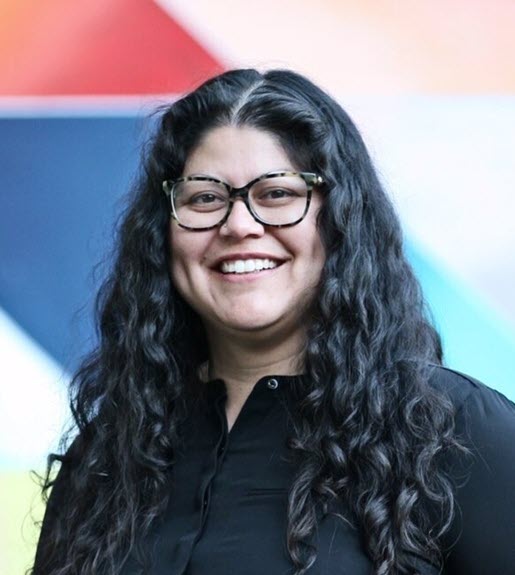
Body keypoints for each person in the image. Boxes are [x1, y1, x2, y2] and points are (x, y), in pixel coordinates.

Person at [33, 69, 515, 575]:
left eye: (278, 194)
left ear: (340, 220)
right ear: (163, 231)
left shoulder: (453, 433)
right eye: (204, 197)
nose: (239, 224)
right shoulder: (109, 453)